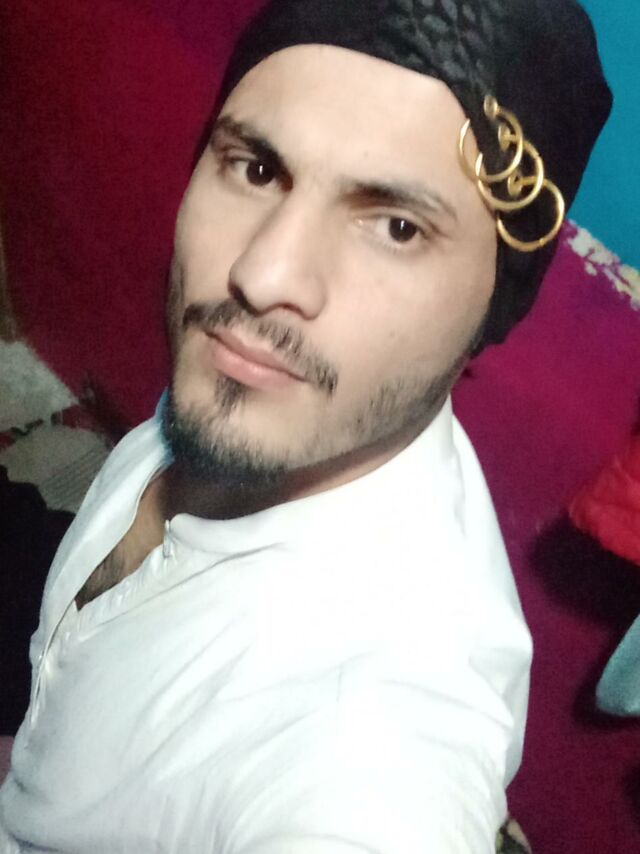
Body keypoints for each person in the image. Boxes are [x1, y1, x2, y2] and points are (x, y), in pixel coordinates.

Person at [0, 0, 610, 850]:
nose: (262, 273)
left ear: (493, 307)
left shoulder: (368, 748)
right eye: (256, 169)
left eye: (396, 226)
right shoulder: (283, 391)